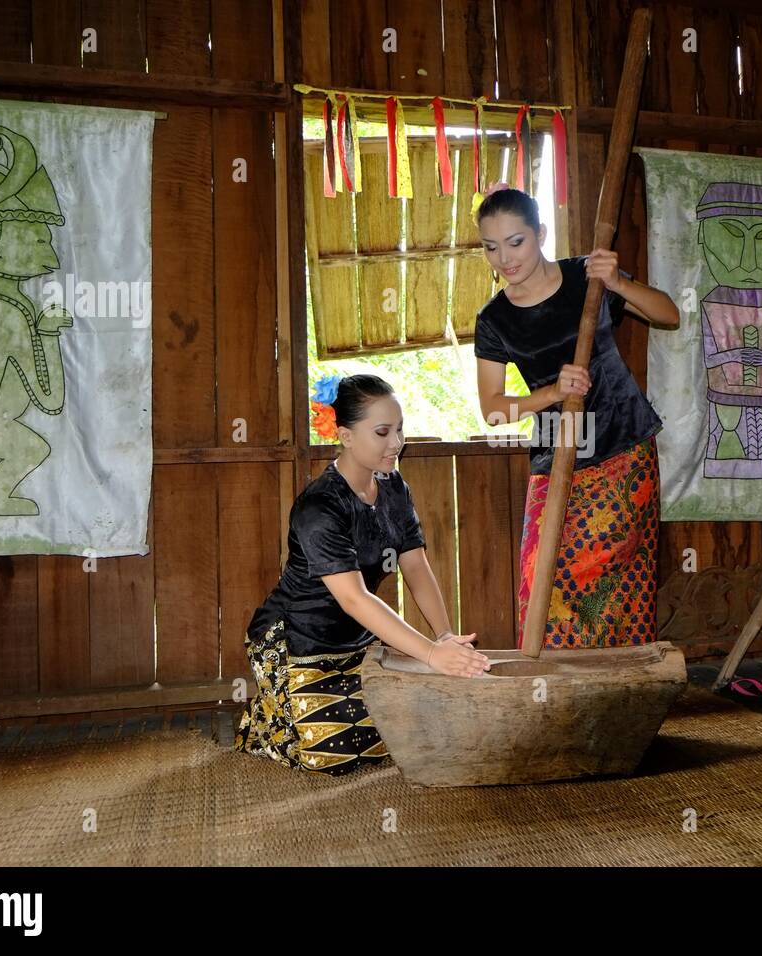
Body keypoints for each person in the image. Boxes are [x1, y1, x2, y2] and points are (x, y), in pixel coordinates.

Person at [235, 374, 489, 775]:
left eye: (400, 429)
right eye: (383, 432)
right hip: (298, 642)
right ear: (346, 437)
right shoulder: (319, 506)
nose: (396, 442)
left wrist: (443, 638)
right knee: (337, 754)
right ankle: (269, 723)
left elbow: (416, 567)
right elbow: (353, 598)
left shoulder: (394, 488)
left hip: (361, 643)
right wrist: (428, 655)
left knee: (423, 719)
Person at [472, 184, 680, 649]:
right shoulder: (494, 319)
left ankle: (618, 682)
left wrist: (619, 282)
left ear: (541, 233)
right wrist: (550, 391)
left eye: (516, 241)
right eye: (491, 247)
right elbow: (493, 409)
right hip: (556, 451)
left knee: (616, 580)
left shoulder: (590, 278)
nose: (505, 258)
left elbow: (670, 315)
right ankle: (557, 682)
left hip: (623, 447)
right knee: (542, 574)